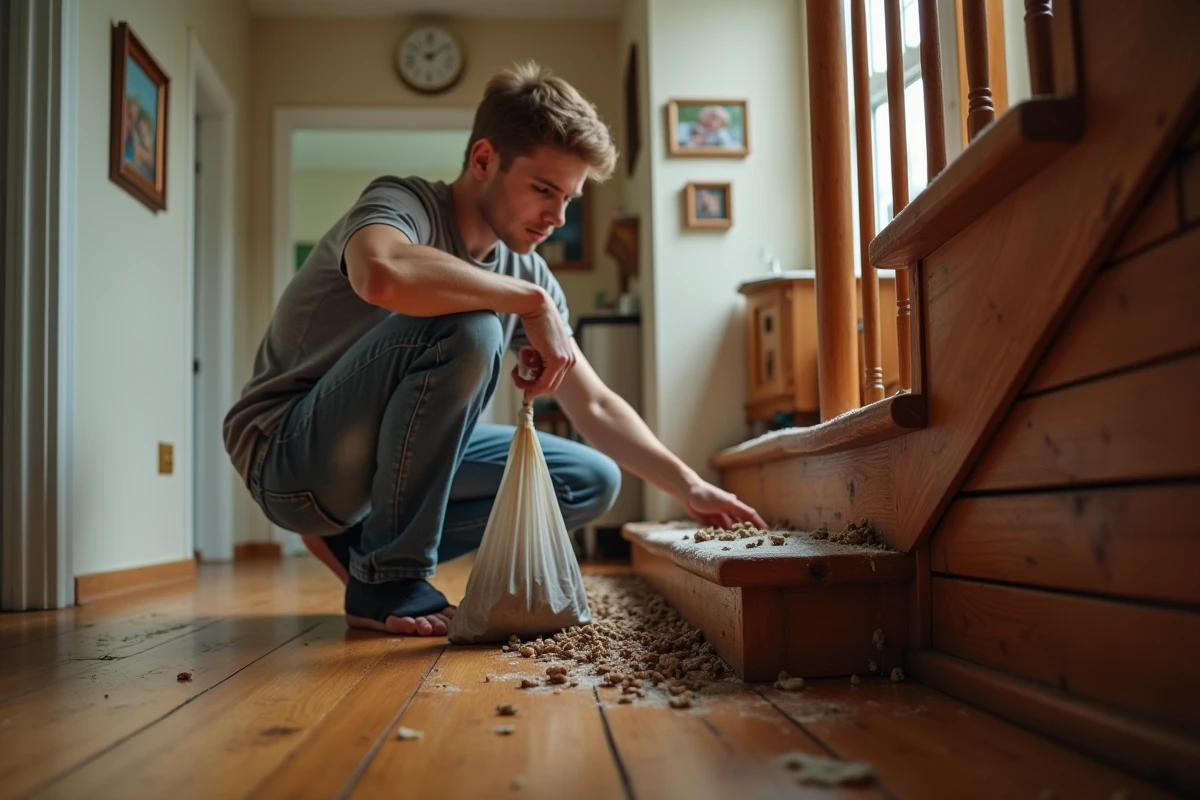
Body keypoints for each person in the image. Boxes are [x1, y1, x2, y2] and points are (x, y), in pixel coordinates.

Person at [222, 62, 765, 637]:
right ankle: (389, 575)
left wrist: (689, 485)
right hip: (288, 455)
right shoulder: (404, 203)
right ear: (484, 160)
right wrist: (529, 302)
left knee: (590, 479)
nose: (557, 217)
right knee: (474, 325)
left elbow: (596, 405)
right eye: (544, 190)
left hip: (378, 463)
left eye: (570, 199)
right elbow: (380, 272)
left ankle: (360, 545)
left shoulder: (525, 271)